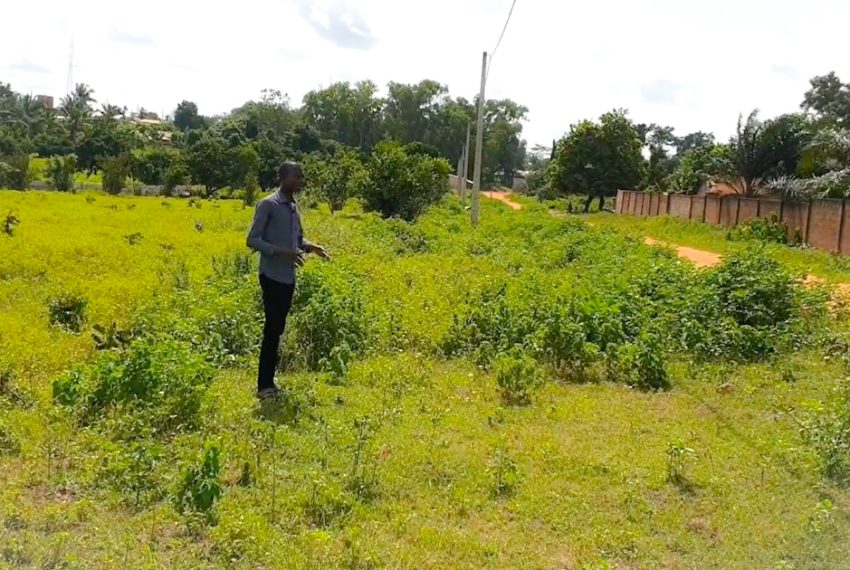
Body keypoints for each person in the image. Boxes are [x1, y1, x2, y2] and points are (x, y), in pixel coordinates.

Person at [247, 162, 330, 399]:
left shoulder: (294, 207)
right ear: (282, 178)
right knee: (272, 329)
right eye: (295, 176)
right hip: (271, 276)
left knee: (278, 329)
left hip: (287, 278)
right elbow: (252, 240)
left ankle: (270, 381)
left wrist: (311, 247)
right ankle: (264, 386)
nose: (299, 181)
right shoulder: (268, 204)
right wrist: (282, 252)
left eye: (301, 177)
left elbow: (298, 240)